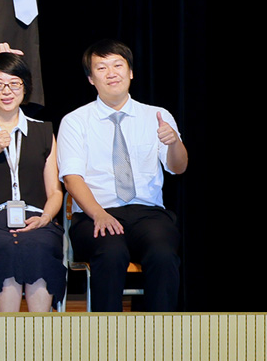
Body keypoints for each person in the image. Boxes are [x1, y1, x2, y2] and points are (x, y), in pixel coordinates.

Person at [58, 40, 185, 311]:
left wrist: (174, 142)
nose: (111, 73)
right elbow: (71, 178)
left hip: (147, 213)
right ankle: (108, 335)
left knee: (163, 255)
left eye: (118, 65)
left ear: (131, 72)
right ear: (91, 79)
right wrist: (99, 214)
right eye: (101, 68)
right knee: (111, 252)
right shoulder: (75, 121)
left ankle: (161, 334)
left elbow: (178, 167)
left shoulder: (157, 116)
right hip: (95, 214)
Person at [0, 51, 65, 312]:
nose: (6, 91)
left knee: (39, 246)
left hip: (36, 220)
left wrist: (46, 217)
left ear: (25, 88)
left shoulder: (43, 131)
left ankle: (40, 336)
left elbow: (55, 192)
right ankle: (10, 335)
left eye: (14, 83)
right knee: (6, 247)